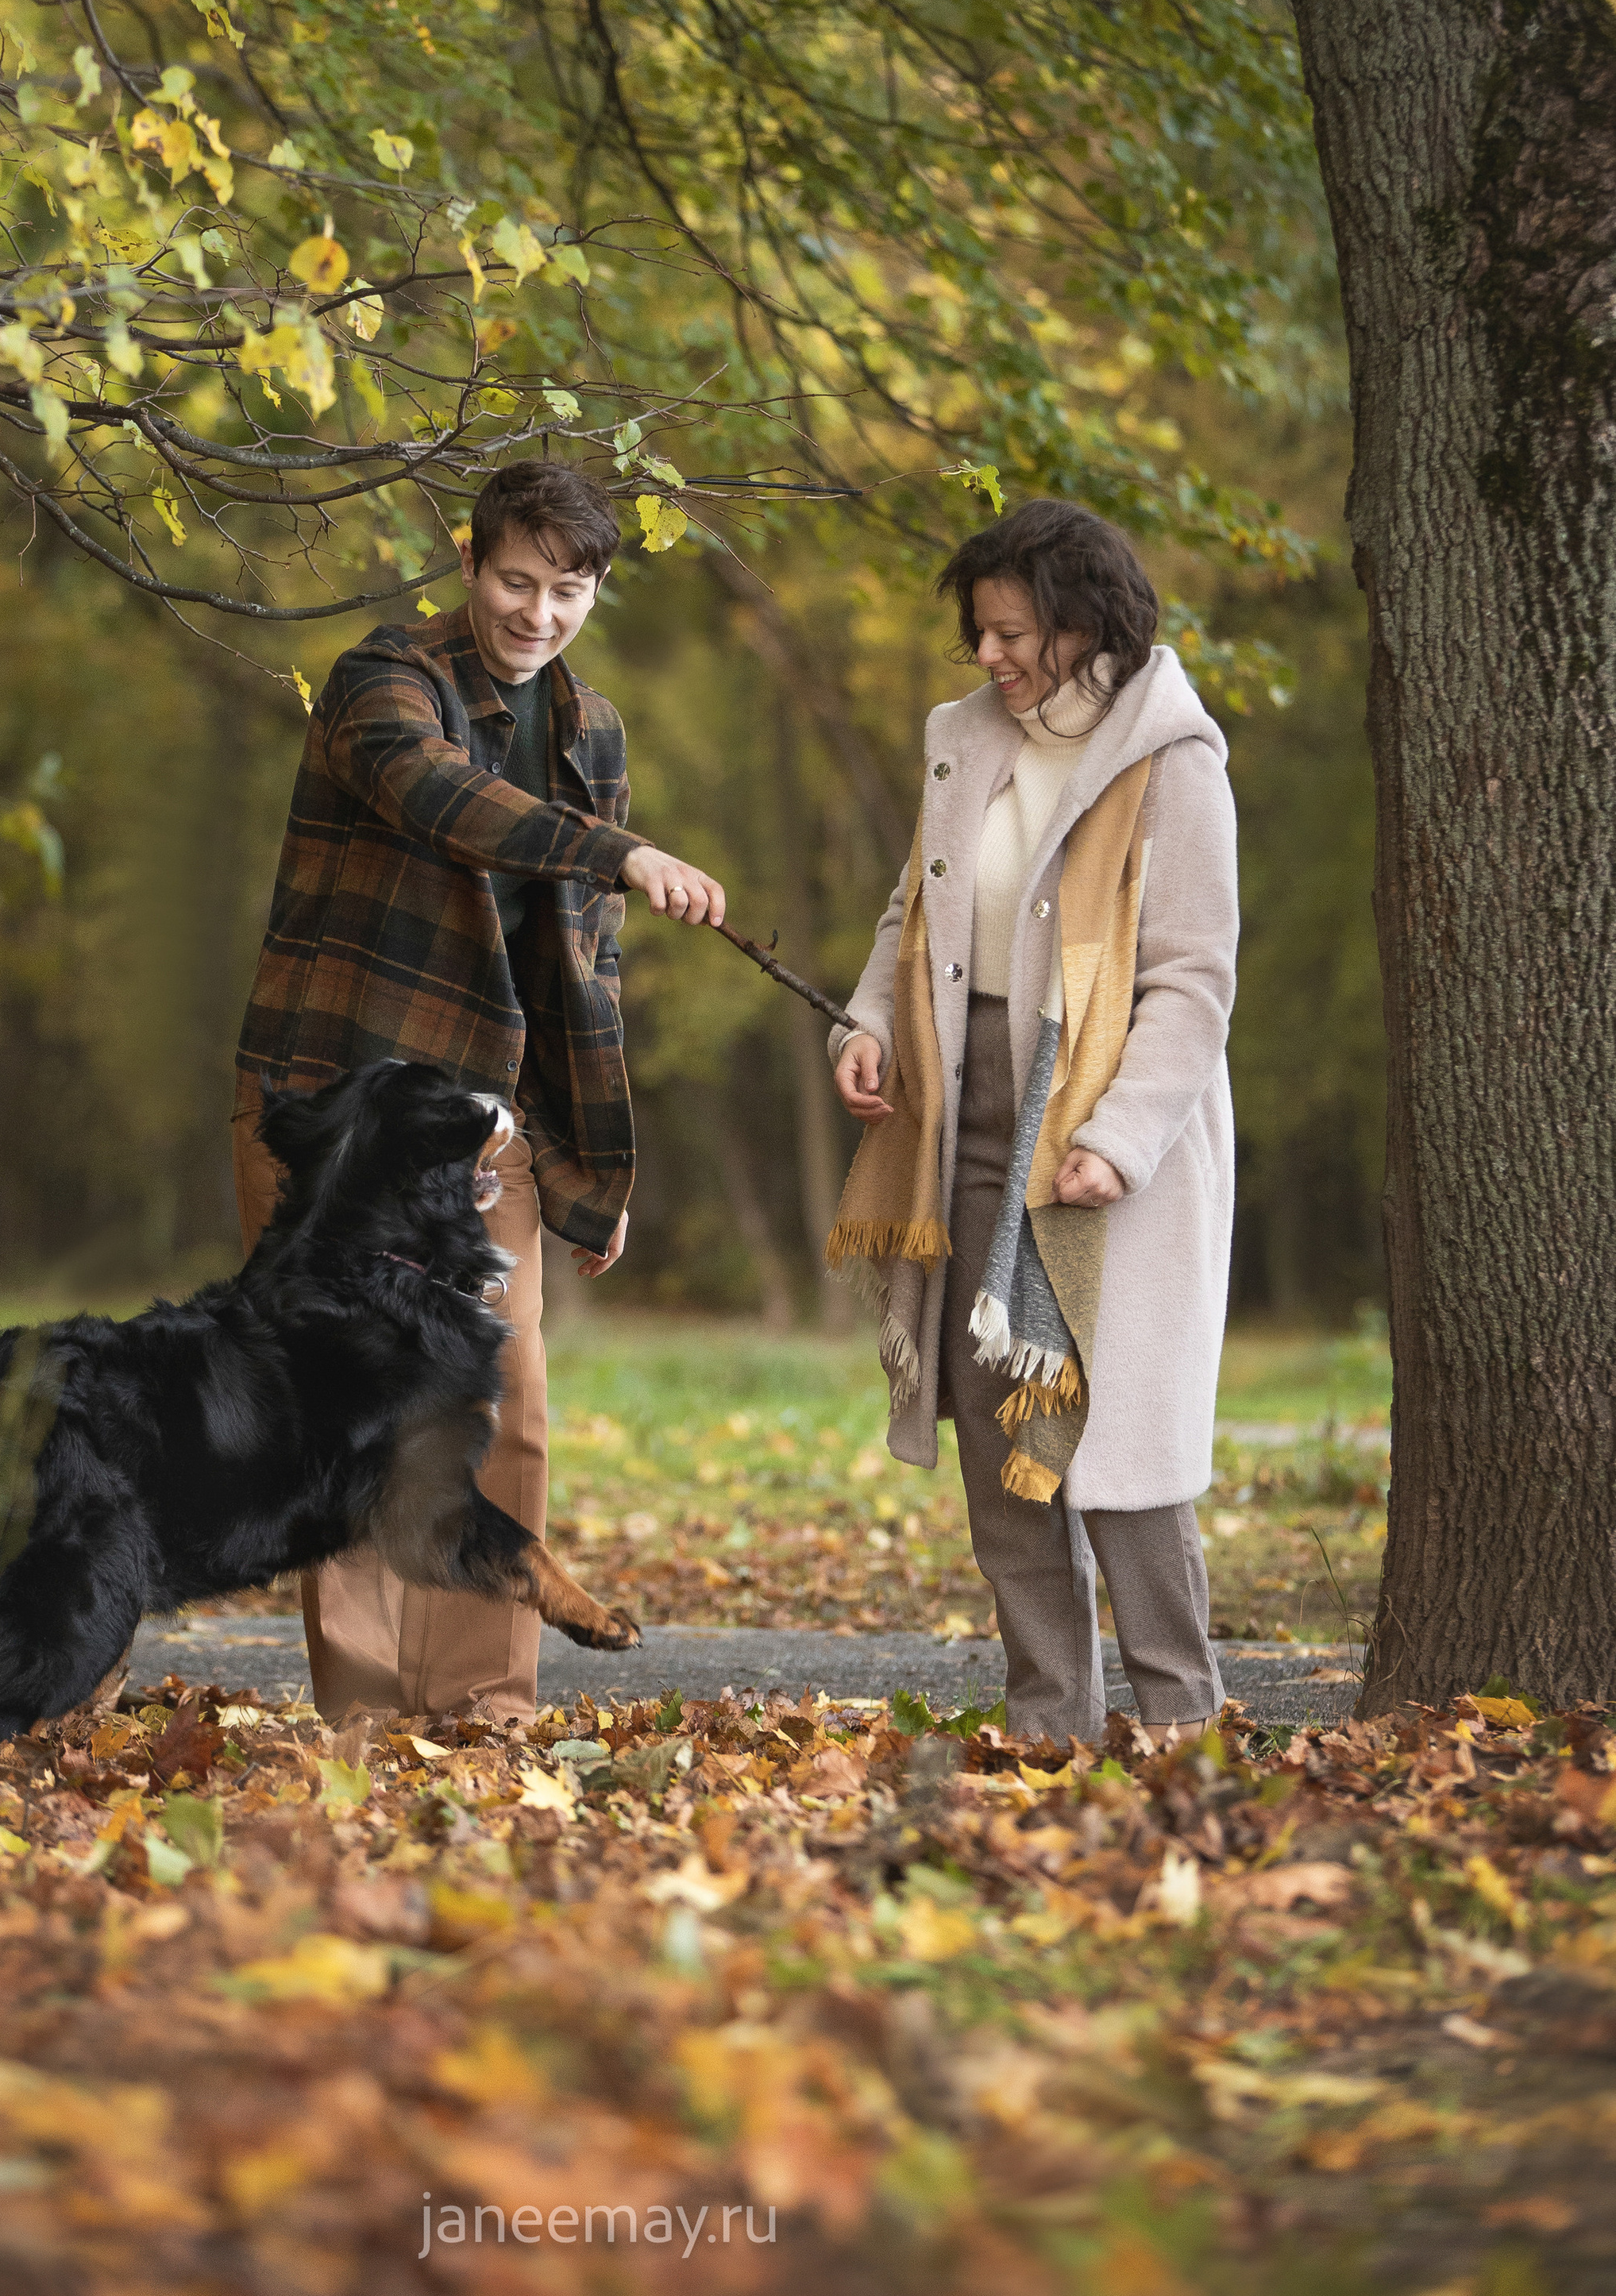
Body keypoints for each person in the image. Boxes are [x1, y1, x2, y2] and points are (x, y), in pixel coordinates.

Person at [231, 460, 724, 1724]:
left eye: (569, 590)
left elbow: (581, 972)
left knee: (498, 1403)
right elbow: (451, 804)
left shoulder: (592, 730)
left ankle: (484, 1707)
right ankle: (366, 1713)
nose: (538, 612)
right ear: (469, 560)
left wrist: (590, 1171)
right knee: (344, 1410)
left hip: (486, 1130)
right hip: (332, 1107)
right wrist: (617, 847)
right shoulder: (382, 681)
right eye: (517, 579)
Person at [828, 499, 1236, 1746]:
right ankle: (1048, 1722)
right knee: (998, 1429)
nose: (992, 658)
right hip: (964, 1117)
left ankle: (1179, 1720)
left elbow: (1191, 978)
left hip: (1111, 1137)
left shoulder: (1173, 758)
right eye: (982, 636)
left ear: (1082, 624)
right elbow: (918, 911)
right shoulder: (966, 740)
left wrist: (1117, 1136)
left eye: (1011, 633)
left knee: (1114, 1446)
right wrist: (869, 1023)